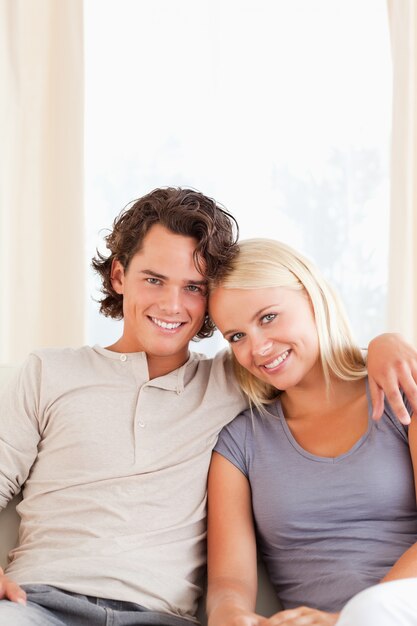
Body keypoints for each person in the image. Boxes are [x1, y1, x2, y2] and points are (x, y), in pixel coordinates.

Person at [0, 189, 415, 626]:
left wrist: (386, 345)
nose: (172, 305)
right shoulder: (49, 372)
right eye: (154, 279)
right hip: (37, 606)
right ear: (119, 275)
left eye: (193, 288)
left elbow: (308, 355)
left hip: (160, 619)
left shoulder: (227, 381)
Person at [207, 238, 417, 626]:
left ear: (312, 297)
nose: (258, 348)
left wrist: (343, 618)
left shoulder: (398, 388)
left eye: (268, 317)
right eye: (236, 336)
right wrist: (233, 615)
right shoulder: (240, 442)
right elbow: (227, 581)